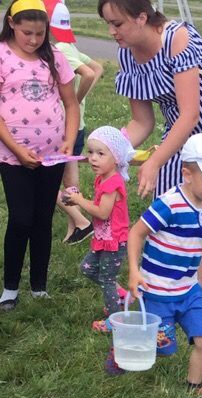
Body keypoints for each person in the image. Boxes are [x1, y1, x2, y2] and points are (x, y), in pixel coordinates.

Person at [98, 0, 202, 286]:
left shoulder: (177, 39)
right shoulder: (128, 55)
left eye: (117, 23)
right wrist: (109, 147)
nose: (111, 31)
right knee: (167, 203)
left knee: (201, 208)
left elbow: (191, 113)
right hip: (179, 126)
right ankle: (162, 282)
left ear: (141, 17)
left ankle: (194, 292)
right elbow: (142, 122)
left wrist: (154, 161)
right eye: (107, 24)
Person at [118, 133, 202, 398]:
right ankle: (121, 339)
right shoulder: (169, 203)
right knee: (163, 347)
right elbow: (136, 233)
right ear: (187, 174)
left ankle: (194, 387)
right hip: (157, 291)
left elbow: (200, 235)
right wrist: (133, 270)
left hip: (189, 290)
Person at [0, 0, 79, 311]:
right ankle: (9, 288)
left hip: (51, 156)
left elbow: (71, 104)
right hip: (12, 155)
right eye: (27, 33)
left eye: (40, 33)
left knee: (43, 218)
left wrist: (69, 142)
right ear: (11, 24)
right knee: (20, 218)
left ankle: (39, 286)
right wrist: (17, 149)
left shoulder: (54, 56)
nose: (33, 40)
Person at [44, 0, 104, 243]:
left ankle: (81, 220)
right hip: (76, 126)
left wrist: (76, 101)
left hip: (63, 127)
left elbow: (89, 73)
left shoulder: (60, 49)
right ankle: (75, 229)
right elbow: (98, 68)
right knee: (70, 177)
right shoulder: (69, 45)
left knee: (46, 181)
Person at [62, 126, 132, 327]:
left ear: (116, 158)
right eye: (90, 152)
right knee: (87, 268)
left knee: (107, 279)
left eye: (100, 153)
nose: (93, 158)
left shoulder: (112, 184)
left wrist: (79, 200)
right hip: (103, 238)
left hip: (114, 241)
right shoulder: (102, 178)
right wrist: (78, 201)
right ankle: (121, 296)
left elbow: (102, 212)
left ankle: (115, 320)